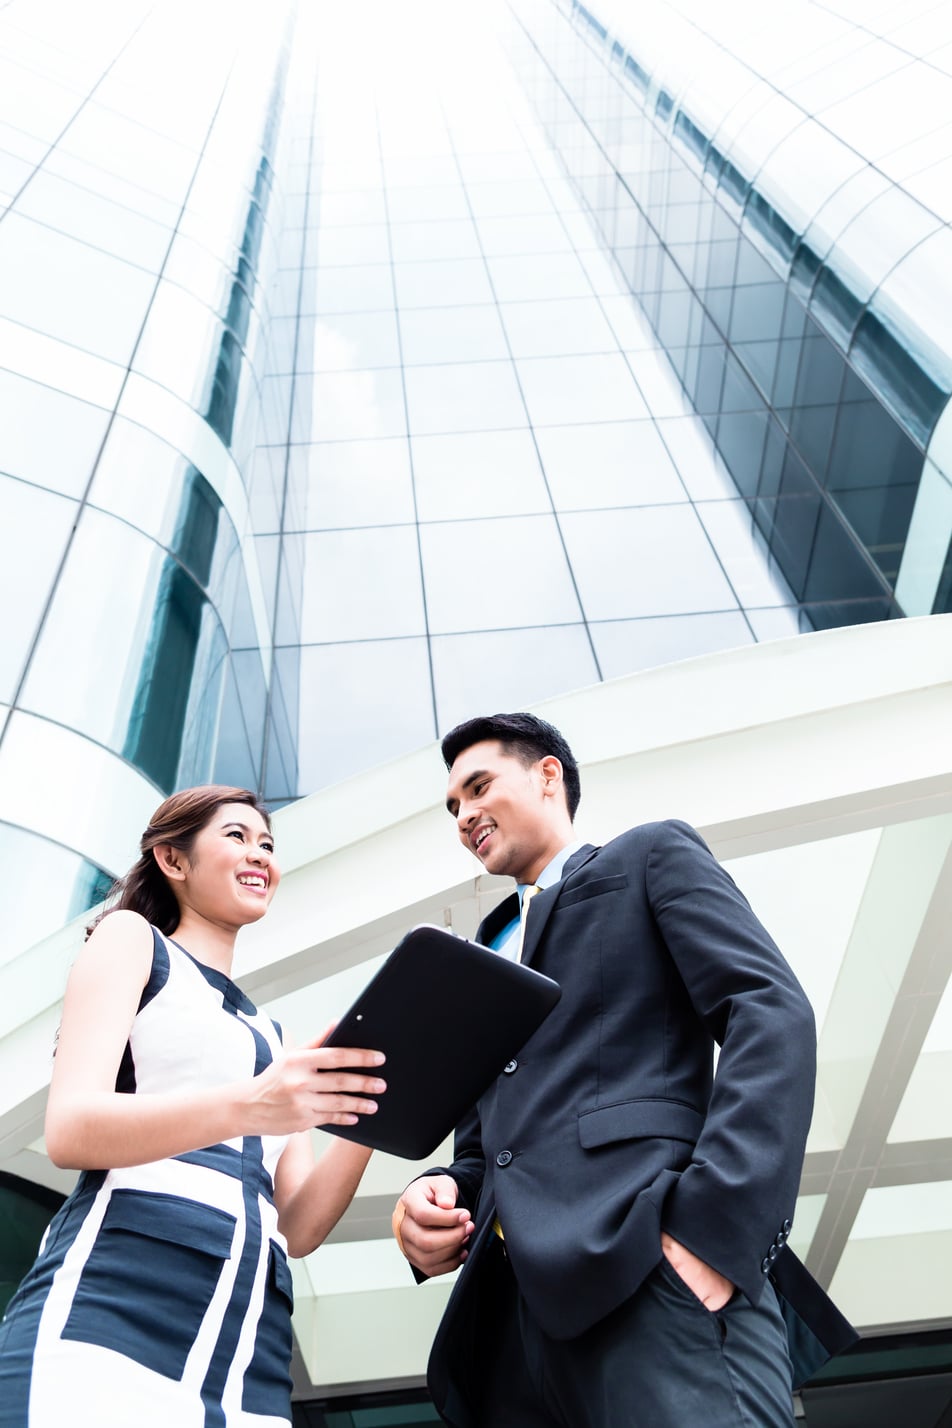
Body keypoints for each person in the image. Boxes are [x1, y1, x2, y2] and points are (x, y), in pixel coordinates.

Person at [391, 713, 856, 1428]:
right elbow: (485, 1151)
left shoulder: (648, 856)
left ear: (549, 775)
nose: (465, 815)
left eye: (479, 787)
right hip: (516, 1340)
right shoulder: (476, 956)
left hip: (651, 1275)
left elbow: (768, 1013)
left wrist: (711, 1234)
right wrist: (438, 1193)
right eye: (453, 807)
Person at [0, 785, 386, 1427]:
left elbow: (299, 1225)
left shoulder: (277, 1038)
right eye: (237, 836)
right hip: (115, 1299)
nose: (260, 852)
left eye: (268, 843)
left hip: (250, 1345)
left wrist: (382, 1097)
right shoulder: (132, 942)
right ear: (173, 860)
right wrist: (255, 1104)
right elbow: (69, 1129)